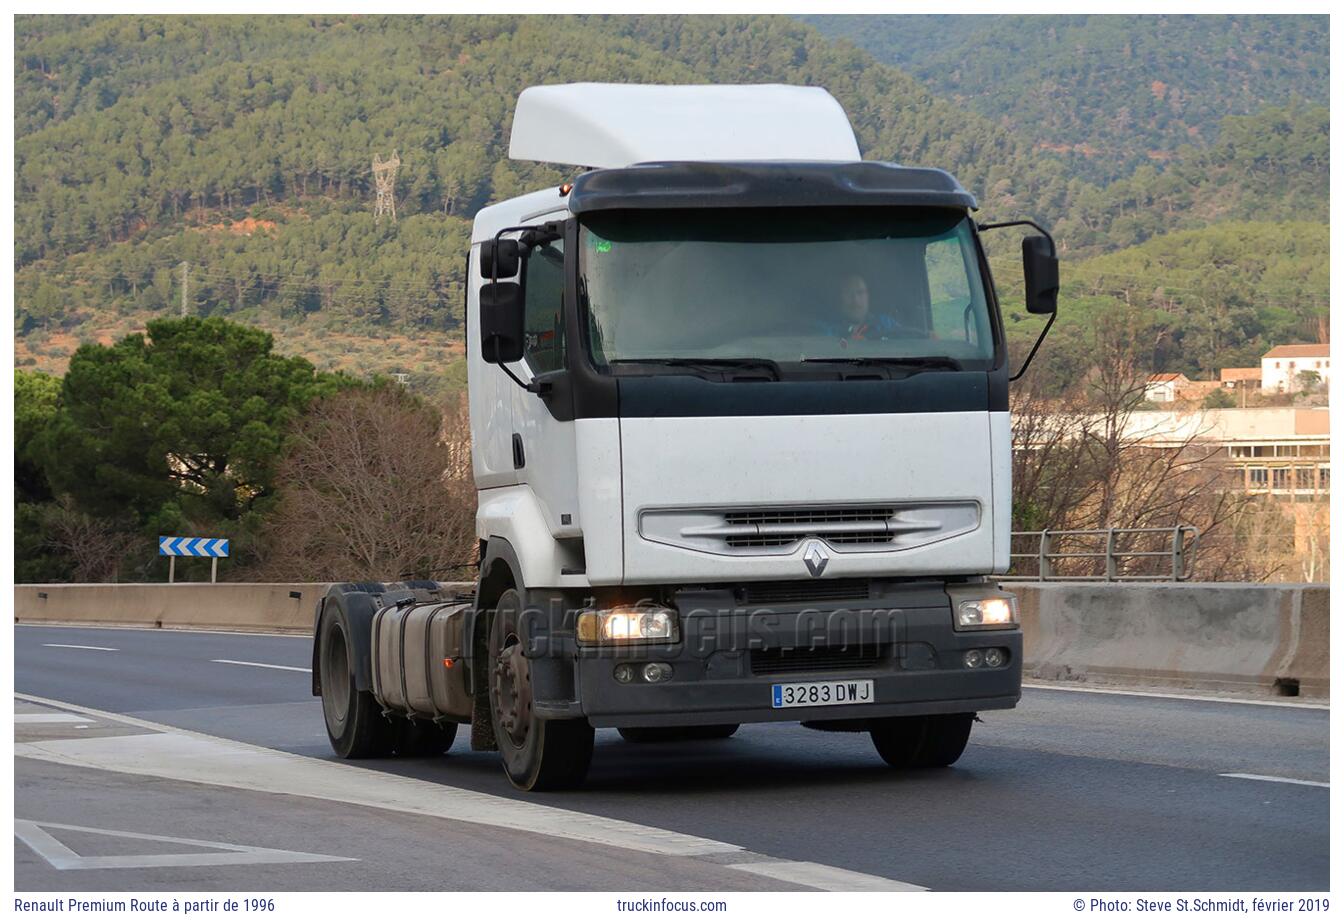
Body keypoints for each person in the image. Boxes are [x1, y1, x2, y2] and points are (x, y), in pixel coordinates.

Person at [816, 274, 902, 341]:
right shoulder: (827, 330)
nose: (855, 300)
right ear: (839, 298)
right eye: (848, 293)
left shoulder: (886, 324)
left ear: (868, 296)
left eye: (860, 292)